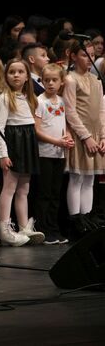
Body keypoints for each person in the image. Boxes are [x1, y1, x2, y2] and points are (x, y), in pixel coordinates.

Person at [0, 59, 44, 245]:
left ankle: (24, 227)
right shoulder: (5, 98)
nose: (16, 75)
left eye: (20, 72)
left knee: (24, 189)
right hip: (14, 144)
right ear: (6, 76)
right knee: (9, 188)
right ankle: (5, 230)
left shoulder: (30, 98)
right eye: (12, 72)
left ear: (27, 76)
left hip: (27, 144)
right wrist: (3, 154)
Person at [63, 42, 105, 235]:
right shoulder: (71, 79)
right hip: (82, 135)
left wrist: (103, 135)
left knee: (90, 178)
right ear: (73, 56)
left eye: (91, 55)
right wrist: (86, 136)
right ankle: (75, 220)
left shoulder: (96, 81)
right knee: (77, 177)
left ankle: (87, 217)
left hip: (96, 135)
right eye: (83, 55)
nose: (89, 59)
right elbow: (70, 111)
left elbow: (101, 110)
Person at [34, 64, 74, 244]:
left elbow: (64, 125)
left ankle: (54, 228)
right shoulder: (39, 101)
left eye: (54, 80)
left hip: (59, 154)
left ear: (61, 82)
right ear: (42, 81)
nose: (50, 83)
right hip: (45, 153)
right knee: (44, 193)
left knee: (55, 193)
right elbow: (37, 130)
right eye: (46, 80)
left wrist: (68, 137)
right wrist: (57, 141)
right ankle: (43, 229)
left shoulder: (62, 101)